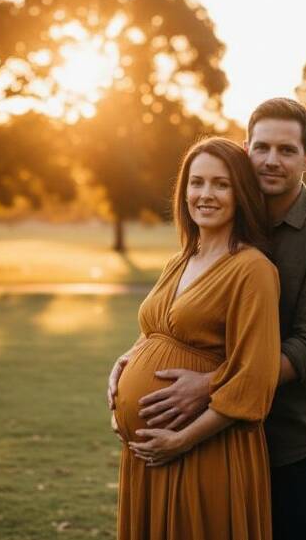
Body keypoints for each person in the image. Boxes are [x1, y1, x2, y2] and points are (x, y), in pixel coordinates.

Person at [108, 98, 306, 540]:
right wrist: (130, 360)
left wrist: (206, 387)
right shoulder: (212, 235)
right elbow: (177, 322)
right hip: (195, 435)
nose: (271, 161)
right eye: (261, 148)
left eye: (286, 150)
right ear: (247, 148)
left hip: (287, 438)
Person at [109, 136, 281, 539]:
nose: (206, 194)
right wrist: (125, 364)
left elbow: (254, 378)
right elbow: (157, 329)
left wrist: (181, 440)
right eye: (197, 182)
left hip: (205, 449)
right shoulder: (180, 259)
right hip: (150, 453)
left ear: (241, 193)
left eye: (221, 184)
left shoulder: (252, 269)